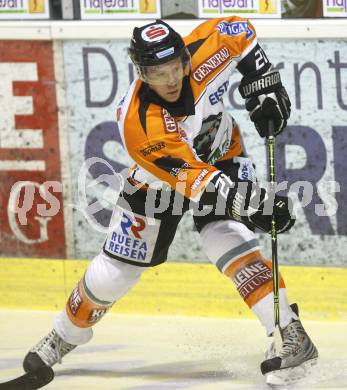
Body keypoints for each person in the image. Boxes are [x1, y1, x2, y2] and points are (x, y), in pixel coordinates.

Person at [22, 17, 318, 385]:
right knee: (113, 275)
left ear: (184, 57)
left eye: (176, 67)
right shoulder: (138, 125)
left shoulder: (207, 49)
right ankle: (62, 336)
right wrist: (254, 202)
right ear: (142, 73)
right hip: (157, 182)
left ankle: (290, 333)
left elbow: (241, 31)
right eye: (158, 73)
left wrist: (262, 83)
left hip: (222, 152)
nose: (171, 79)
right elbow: (198, 183)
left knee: (223, 233)